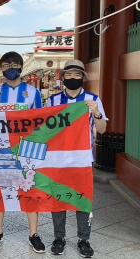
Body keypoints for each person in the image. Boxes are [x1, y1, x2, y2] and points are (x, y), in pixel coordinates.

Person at [0, 51, 45, 253]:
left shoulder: (33, 92)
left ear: (21, 67)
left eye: (14, 64)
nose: (10, 68)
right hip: (2, 148)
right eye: (6, 65)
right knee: (0, 190)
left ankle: (34, 234)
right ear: (1, 68)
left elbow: (41, 120)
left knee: (30, 191)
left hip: (27, 149)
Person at [47, 59, 107, 258]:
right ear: (63, 77)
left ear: (83, 77)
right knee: (58, 199)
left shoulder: (93, 99)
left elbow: (102, 129)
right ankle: (59, 237)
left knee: (83, 201)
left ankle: (84, 239)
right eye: (69, 75)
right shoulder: (53, 101)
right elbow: (46, 130)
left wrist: (96, 113)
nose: (72, 78)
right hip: (57, 160)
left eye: (77, 75)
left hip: (82, 160)